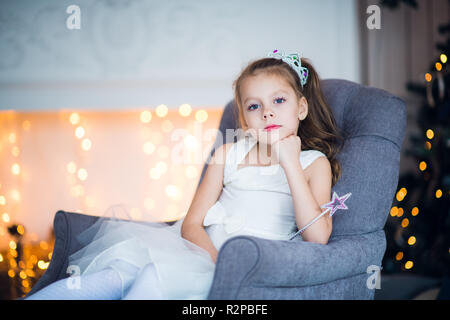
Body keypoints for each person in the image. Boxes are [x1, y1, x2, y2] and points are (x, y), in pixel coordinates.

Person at [25, 49, 343, 300]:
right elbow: (191, 224)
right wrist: (216, 263)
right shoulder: (228, 155)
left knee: (153, 280)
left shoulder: (313, 164)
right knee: (110, 278)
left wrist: (289, 163)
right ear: (244, 121)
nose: (267, 112)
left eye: (278, 100)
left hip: (249, 269)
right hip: (200, 255)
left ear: (301, 108)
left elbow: (317, 237)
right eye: (254, 106)